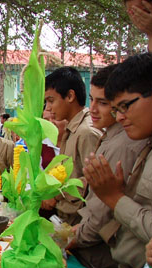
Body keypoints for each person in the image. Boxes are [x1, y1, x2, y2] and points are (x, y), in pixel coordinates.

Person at [83, 52, 152, 268]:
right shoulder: (145, 143)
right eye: (117, 108)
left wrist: (114, 198)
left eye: (126, 106)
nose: (120, 116)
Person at [70, 65, 147, 268]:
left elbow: (103, 212)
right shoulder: (110, 137)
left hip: (102, 255)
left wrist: (69, 238)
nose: (92, 109)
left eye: (103, 103)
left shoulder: (123, 144)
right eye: (92, 100)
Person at [42, 66, 101, 225]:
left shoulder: (86, 132)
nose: (48, 108)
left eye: (51, 100)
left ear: (69, 96)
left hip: (80, 223)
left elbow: (93, 181)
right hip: (66, 219)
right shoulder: (71, 129)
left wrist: (56, 196)